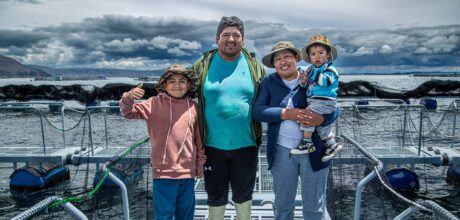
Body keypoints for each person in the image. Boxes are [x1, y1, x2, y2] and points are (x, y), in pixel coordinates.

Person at [254, 41, 340, 219]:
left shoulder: (311, 76)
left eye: (287, 56)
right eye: (277, 59)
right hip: (282, 151)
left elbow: (334, 106)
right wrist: (286, 113)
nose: (282, 62)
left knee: (314, 206)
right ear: (273, 64)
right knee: (283, 206)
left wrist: (322, 118)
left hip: (314, 151)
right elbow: (258, 111)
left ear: (296, 58)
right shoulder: (269, 82)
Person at [192, 16, 265, 219]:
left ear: (243, 39)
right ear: (217, 39)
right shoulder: (202, 64)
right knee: (215, 196)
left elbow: (271, 95)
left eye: (236, 35)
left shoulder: (254, 65)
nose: (231, 39)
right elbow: (180, 94)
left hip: (247, 144)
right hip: (212, 146)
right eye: (226, 34)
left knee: (244, 195)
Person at [119, 64, 206, 220]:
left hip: (187, 173)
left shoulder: (193, 107)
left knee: (186, 215)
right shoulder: (153, 103)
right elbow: (128, 112)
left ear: (188, 85)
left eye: (182, 81)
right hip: (163, 174)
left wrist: (200, 163)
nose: (177, 85)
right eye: (172, 81)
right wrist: (128, 97)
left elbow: (198, 139)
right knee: (164, 215)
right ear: (164, 85)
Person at [290, 34, 343, 162]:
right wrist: (303, 80)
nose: (317, 56)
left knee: (308, 115)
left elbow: (327, 82)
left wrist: (313, 74)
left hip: (325, 101)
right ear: (309, 57)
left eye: (321, 53)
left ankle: (307, 142)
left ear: (328, 54)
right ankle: (331, 144)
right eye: (313, 54)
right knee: (321, 127)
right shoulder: (311, 69)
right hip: (316, 100)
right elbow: (307, 85)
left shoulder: (330, 68)